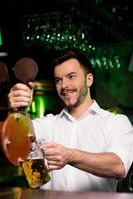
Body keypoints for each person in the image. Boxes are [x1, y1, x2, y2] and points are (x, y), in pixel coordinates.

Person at [8, 49, 133, 192]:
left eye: (71, 76)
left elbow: (118, 167)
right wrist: (18, 109)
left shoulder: (116, 122)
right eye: (58, 80)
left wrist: (69, 156)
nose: (64, 86)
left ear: (89, 79)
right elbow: (13, 142)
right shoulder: (47, 124)